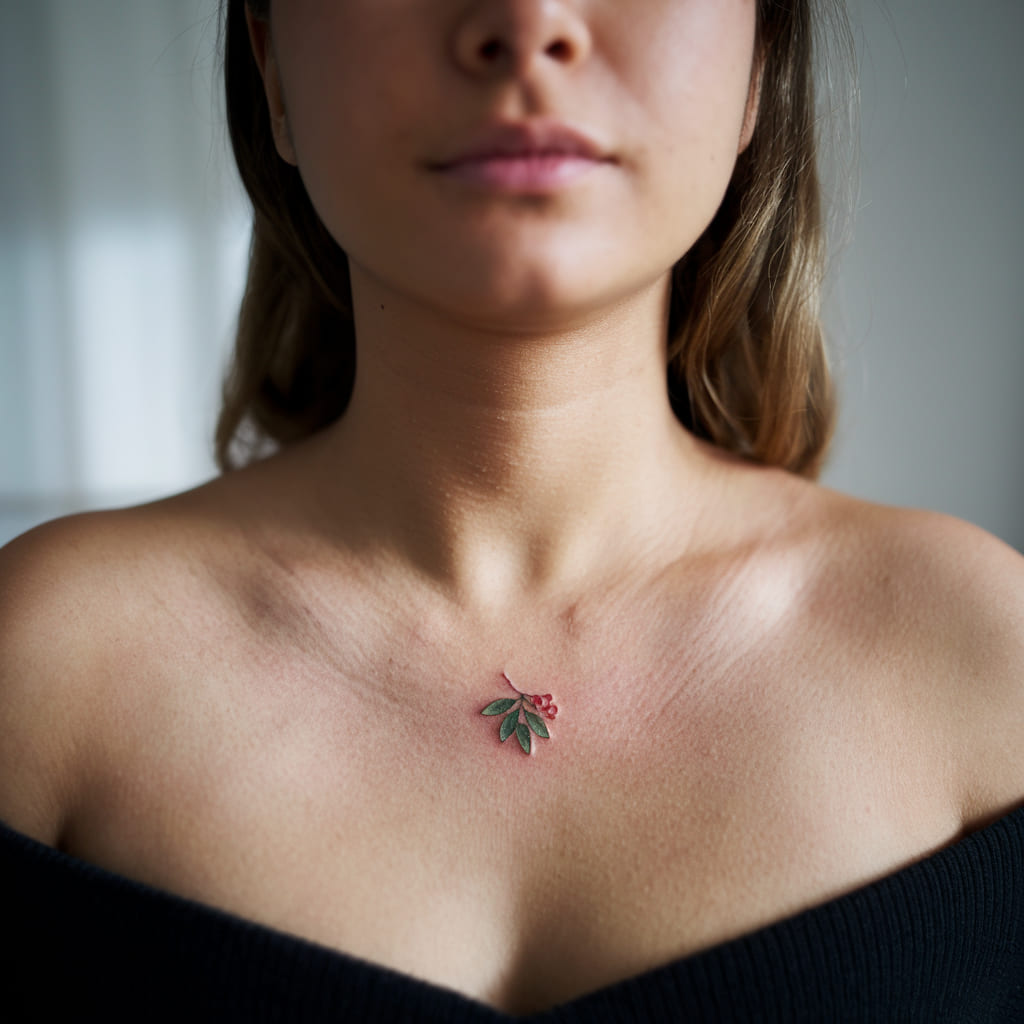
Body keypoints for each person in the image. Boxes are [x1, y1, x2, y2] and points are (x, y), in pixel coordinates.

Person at [1, 0, 1022, 1020]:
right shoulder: (41, 669)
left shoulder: (987, 665)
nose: (528, 23)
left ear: (760, 62)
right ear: (271, 65)